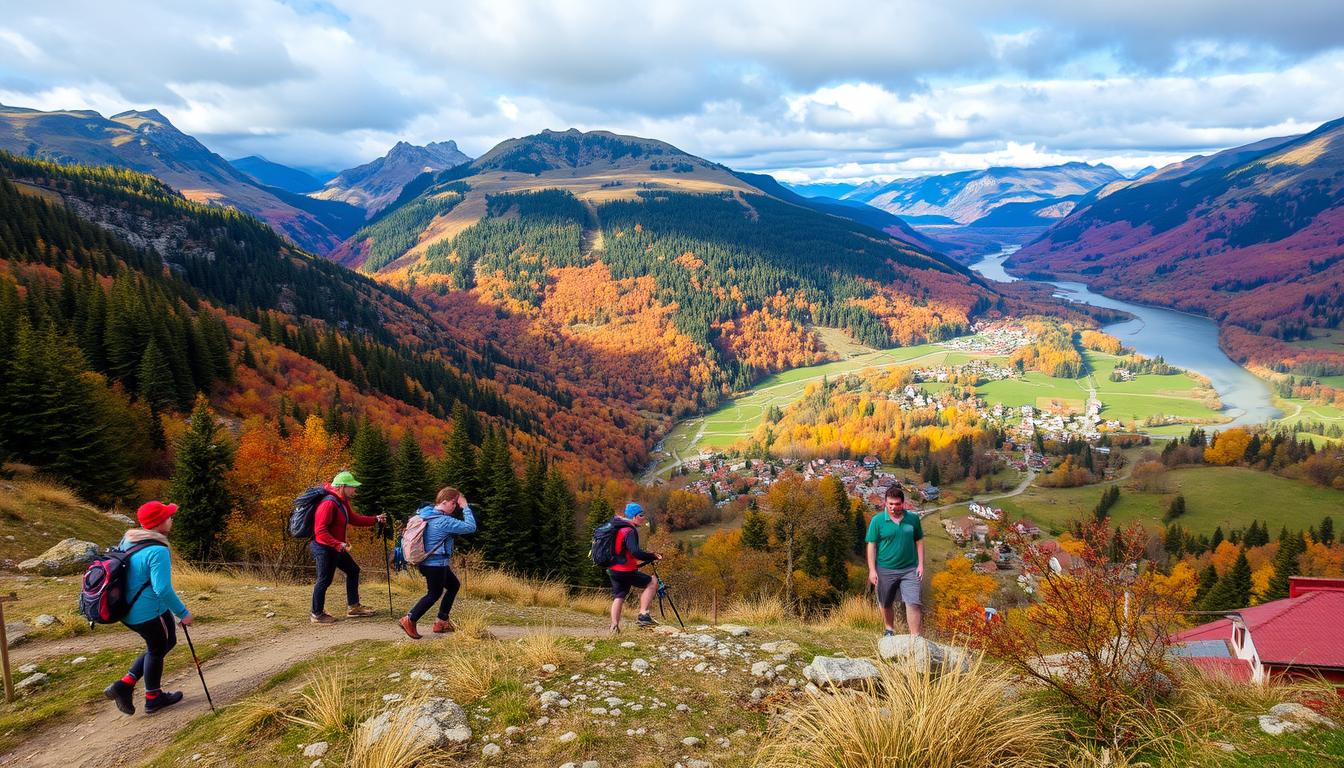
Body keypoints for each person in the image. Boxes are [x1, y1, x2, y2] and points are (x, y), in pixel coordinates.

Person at [102, 500, 193, 715]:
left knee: (164, 643)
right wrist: (183, 613)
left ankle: (125, 684)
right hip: (148, 612)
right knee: (157, 648)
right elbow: (162, 589)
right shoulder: (157, 550)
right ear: (159, 523)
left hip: (125, 608)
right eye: (168, 517)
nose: (171, 520)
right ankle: (153, 697)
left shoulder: (130, 538)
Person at [399, 487, 476, 639]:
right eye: (453, 503)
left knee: (453, 585)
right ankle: (410, 619)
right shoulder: (443, 521)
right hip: (435, 564)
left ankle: (441, 621)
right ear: (444, 502)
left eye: (456, 504)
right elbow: (470, 527)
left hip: (429, 562)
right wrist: (465, 506)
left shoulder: (426, 513)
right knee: (434, 594)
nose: (455, 507)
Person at [310, 470, 386, 624]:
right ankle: (316, 614)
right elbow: (320, 531)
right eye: (352, 486)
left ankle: (353, 607)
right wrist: (337, 544)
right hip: (324, 547)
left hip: (336, 547)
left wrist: (375, 519)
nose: (354, 489)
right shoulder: (328, 503)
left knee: (353, 570)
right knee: (324, 580)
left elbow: (353, 519)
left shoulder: (342, 502)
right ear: (342, 486)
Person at [866, 484, 925, 637]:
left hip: (910, 569)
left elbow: (919, 541)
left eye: (897, 504)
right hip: (885, 568)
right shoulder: (877, 521)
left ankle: (915, 637)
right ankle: (889, 630)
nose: (893, 507)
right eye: (890, 504)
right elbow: (871, 545)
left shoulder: (913, 519)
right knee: (885, 602)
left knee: (913, 602)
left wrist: (920, 565)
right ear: (885, 503)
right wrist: (872, 570)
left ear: (903, 503)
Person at [607, 502, 662, 634]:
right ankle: (643, 614)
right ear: (633, 516)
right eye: (641, 515)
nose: (643, 518)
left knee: (619, 595)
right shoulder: (629, 530)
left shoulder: (618, 528)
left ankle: (614, 627)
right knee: (652, 581)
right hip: (625, 569)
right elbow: (635, 552)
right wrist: (652, 556)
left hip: (613, 569)